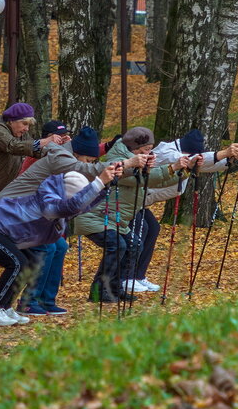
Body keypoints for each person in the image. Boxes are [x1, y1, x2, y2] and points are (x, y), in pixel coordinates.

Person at [0, 122, 150, 315]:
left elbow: (89, 175)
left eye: (91, 160)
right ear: (78, 153)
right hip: (10, 209)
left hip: (28, 210)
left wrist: (136, 169)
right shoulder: (60, 157)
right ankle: (28, 302)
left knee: (59, 246)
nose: (88, 164)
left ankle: (45, 300)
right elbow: (84, 170)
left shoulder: (73, 158)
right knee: (46, 247)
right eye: (87, 159)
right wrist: (127, 163)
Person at [0, 162, 122, 327]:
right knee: (17, 263)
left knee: (30, 265)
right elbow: (73, 205)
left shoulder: (60, 200)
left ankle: (4, 307)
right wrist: (98, 181)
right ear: (67, 196)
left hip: (0, 230)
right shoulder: (49, 202)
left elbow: (81, 206)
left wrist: (105, 185)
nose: (77, 206)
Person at [72, 127, 192, 305]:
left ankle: (115, 287)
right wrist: (171, 168)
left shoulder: (138, 161)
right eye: (145, 149)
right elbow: (143, 180)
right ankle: (99, 290)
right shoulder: (118, 162)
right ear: (134, 148)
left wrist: (183, 170)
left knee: (133, 244)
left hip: (117, 219)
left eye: (151, 148)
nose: (149, 152)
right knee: (117, 246)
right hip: (95, 216)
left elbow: (156, 179)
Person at [0, 102, 65, 288]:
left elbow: (34, 149)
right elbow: (12, 146)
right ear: (12, 120)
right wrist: (43, 142)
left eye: (28, 126)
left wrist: (57, 148)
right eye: (24, 124)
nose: (26, 129)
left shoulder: (21, 134)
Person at [138, 129, 238, 291]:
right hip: (130, 201)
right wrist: (223, 152)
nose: (194, 159)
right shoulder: (166, 151)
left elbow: (206, 164)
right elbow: (188, 160)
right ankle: (127, 277)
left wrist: (235, 156)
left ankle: (137, 276)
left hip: (140, 203)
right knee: (141, 232)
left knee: (152, 229)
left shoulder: (189, 156)